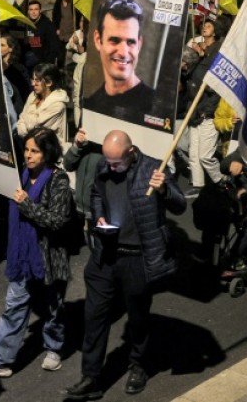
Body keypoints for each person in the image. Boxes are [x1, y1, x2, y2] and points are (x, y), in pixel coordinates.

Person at [64, 130, 184, 400]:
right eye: (108, 161)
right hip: (105, 254)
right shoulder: (103, 165)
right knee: (94, 316)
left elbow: (180, 205)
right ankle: (91, 377)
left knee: (138, 316)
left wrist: (164, 189)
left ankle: (139, 365)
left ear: (131, 152)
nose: (111, 167)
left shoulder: (154, 167)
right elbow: (96, 193)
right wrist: (100, 216)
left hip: (138, 258)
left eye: (116, 162)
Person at [0, 126, 73, 377]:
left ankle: (54, 348)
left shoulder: (58, 180)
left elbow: (58, 220)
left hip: (49, 257)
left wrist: (27, 205)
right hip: (21, 256)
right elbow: (9, 196)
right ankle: (1, 359)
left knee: (53, 306)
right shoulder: (19, 175)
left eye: (35, 151)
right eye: (27, 150)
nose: (28, 156)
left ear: (48, 153)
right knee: (14, 307)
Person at [83, 0, 155, 124]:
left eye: (131, 42)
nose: (123, 53)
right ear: (98, 40)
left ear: (139, 44)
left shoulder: (156, 107)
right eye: (114, 40)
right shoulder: (91, 105)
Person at [183, 18, 227, 198]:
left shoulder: (217, 50)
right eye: (204, 25)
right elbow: (188, 74)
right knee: (193, 154)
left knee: (205, 156)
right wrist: (193, 56)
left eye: (208, 26)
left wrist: (207, 111)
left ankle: (222, 181)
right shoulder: (197, 47)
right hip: (194, 108)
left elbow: (216, 86)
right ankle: (199, 186)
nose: (204, 28)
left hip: (206, 112)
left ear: (215, 31)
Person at [16, 63, 70, 143]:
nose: (33, 84)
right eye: (33, 79)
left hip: (48, 151)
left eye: (37, 80)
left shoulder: (58, 105)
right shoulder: (32, 96)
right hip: (31, 146)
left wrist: (26, 122)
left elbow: (32, 127)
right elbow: (21, 120)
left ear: (49, 83)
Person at [24, 0, 63, 70]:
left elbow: (54, 47)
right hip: (30, 60)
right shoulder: (27, 23)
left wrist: (46, 66)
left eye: (36, 9)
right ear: (28, 11)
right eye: (31, 9)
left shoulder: (48, 25)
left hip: (43, 62)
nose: (33, 12)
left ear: (40, 11)